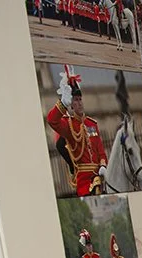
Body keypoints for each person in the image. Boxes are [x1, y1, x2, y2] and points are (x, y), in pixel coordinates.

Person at [46, 66, 108, 196]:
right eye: (75, 100)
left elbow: (100, 150)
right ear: (71, 104)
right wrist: (62, 103)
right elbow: (52, 120)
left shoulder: (92, 124)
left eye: (80, 99)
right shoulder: (68, 125)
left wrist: (103, 165)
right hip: (85, 182)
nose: (79, 103)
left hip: (101, 176)